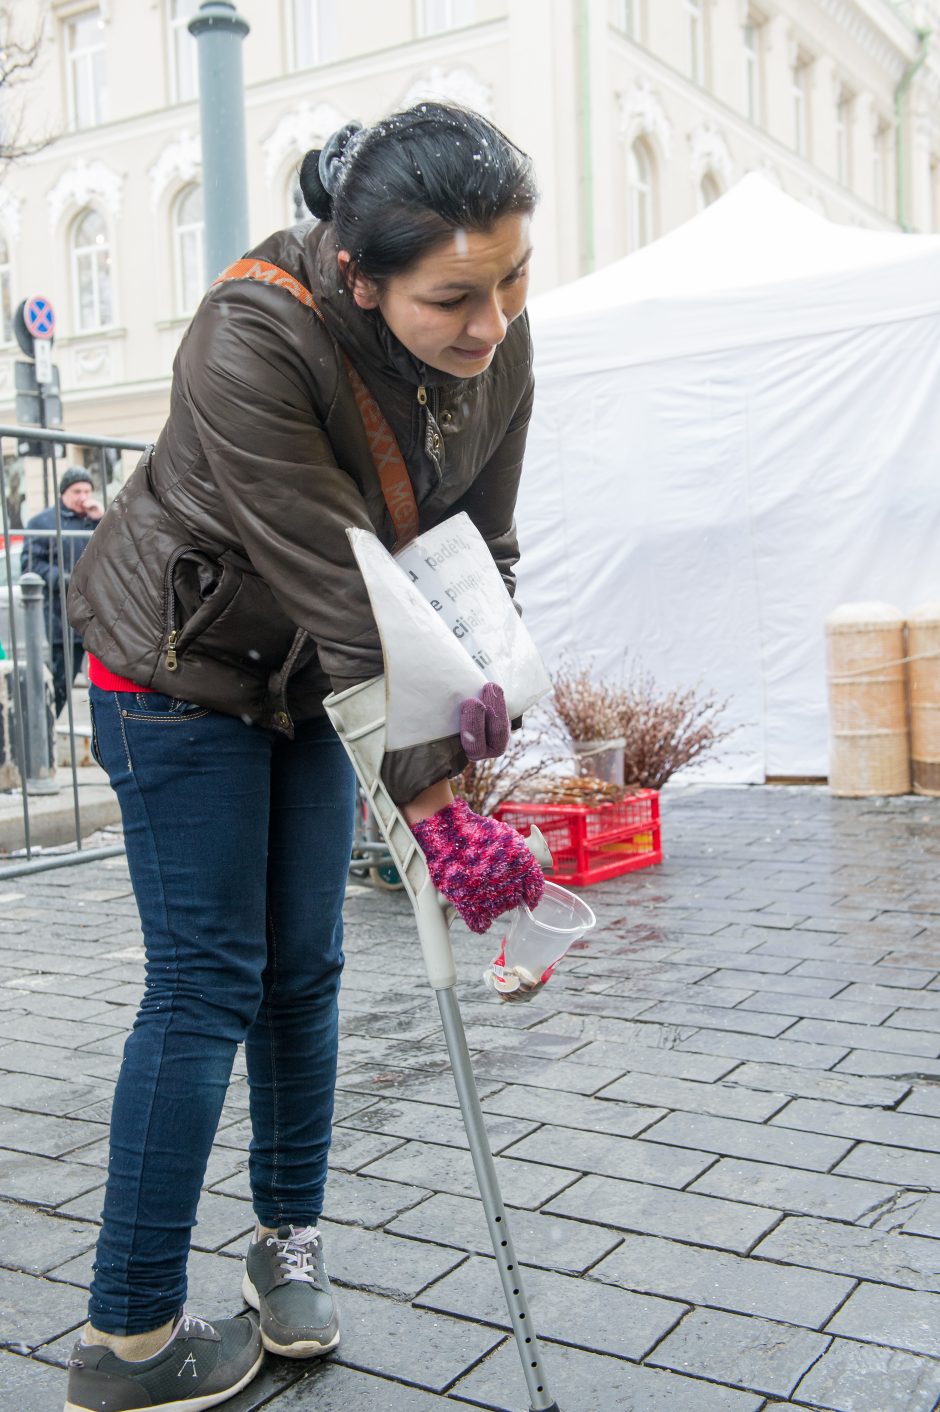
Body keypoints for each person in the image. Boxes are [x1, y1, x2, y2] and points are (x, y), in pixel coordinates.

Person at [64, 103, 545, 1412]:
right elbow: (354, 606)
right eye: (455, 295)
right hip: (179, 665)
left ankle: (288, 1251)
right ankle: (131, 1340)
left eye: (512, 277)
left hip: (314, 679)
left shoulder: (497, 343)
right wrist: (441, 820)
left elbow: (469, 561)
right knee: (211, 976)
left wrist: (492, 711)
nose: (492, 319)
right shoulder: (252, 334)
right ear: (356, 271)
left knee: (308, 970)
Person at [21, 467, 102, 716]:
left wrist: (102, 518)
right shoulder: (42, 522)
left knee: (104, 686)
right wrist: (64, 579)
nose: (83, 496)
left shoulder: (96, 519)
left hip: (100, 616)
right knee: (60, 685)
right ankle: (43, 736)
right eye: (77, 491)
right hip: (63, 619)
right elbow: (31, 565)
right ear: (63, 493)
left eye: (87, 490)